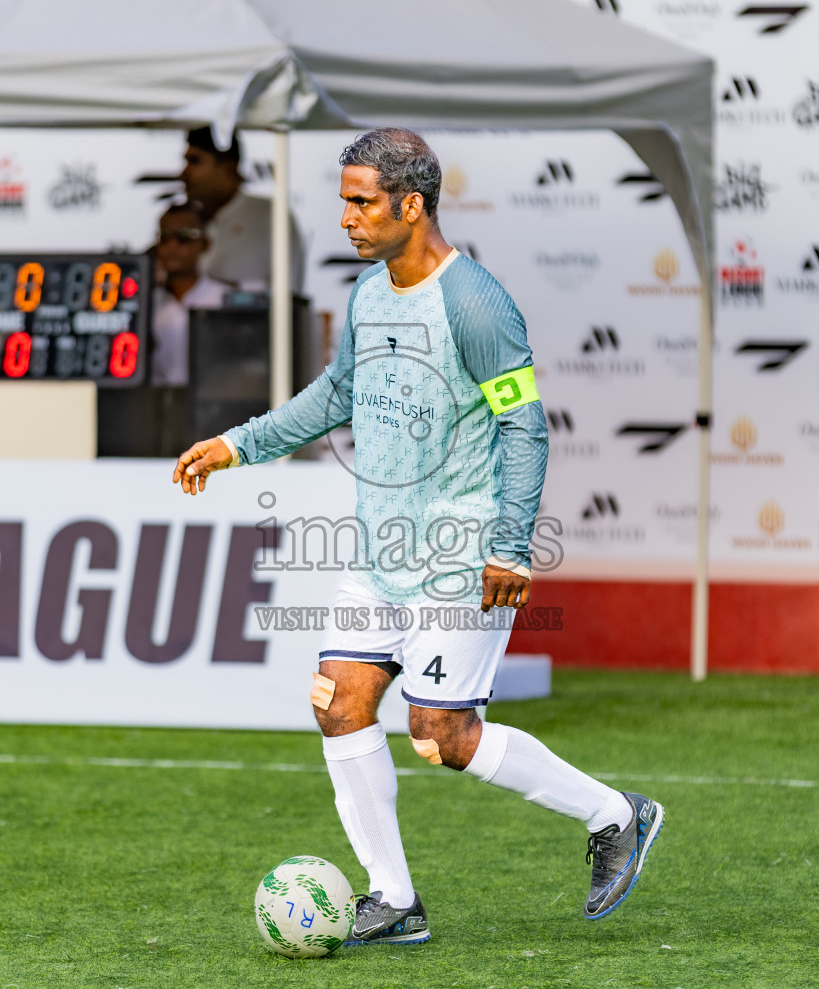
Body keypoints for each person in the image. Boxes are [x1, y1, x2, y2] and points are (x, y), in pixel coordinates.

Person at [172, 128, 664, 945]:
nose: (346, 219)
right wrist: (237, 445)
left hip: (461, 554)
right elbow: (336, 394)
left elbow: (524, 428)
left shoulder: (473, 302)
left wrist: (509, 545)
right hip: (380, 549)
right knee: (339, 702)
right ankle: (393, 900)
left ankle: (615, 815)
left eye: (360, 202)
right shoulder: (370, 292)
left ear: (411, 204)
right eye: (343, 202)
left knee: (442, 736)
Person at [180, 126, 305, 293]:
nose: (184, 173)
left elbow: (288, 298)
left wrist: (225, 293)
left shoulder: (271, 217)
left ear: (228, 168)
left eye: (195, 161)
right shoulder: (182, 222)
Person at [151, 202, 231, 387]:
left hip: (212, 406)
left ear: (205, 244)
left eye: (184, 237)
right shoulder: (145, 303)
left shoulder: (224, 300)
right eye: (165, 237)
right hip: (154, 407)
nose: (172, 246)